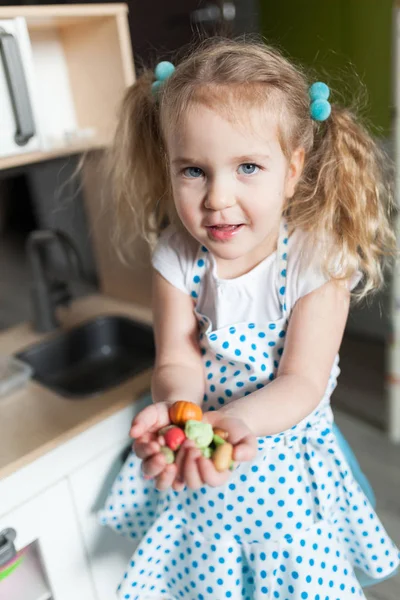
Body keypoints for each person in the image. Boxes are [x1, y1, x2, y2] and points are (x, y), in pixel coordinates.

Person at [99, 37, 400, 599]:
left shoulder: (318, 263)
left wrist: (234, 423)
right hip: (204, 467)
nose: (217, 197)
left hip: (283, 477)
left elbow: (302, 381)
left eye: (248, 167)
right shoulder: (176, 256)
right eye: (193, 170)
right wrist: (179, 410)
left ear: (292, 171)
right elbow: (177, 359)